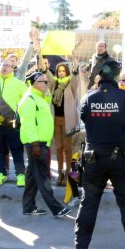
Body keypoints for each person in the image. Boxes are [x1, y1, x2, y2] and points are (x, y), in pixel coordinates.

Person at [73, 60, 125, 249]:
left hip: (93, 159)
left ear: (99, 76)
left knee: (88, 204)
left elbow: (85, 118)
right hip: (121, 159)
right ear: (116, 77)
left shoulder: (88, 98)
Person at [18, 72, 72, 218]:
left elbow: (48, 97)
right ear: (36, 83)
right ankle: (56, 208)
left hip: (41, 143)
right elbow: (28, 124)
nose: (48, 84)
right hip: (36, 144)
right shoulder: (29, 99)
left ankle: (28, 207)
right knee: (43, 178)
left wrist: (46, 88)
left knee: (31, 178)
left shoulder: (39, 96)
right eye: (45, 82)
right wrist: (35, 144)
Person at [45, 54, 80, 186]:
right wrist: (39, 52)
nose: (60, 73)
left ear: (67, 72)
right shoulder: (54, 84)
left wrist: (74, 60)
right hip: (56, 120)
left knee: (67, 147)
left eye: (63, 71)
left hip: (67, 120)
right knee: (59, 147)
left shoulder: (71, 83)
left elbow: (76, 74)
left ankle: (68, 173)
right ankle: (60, 172)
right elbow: (46, 72)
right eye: (59, 71)